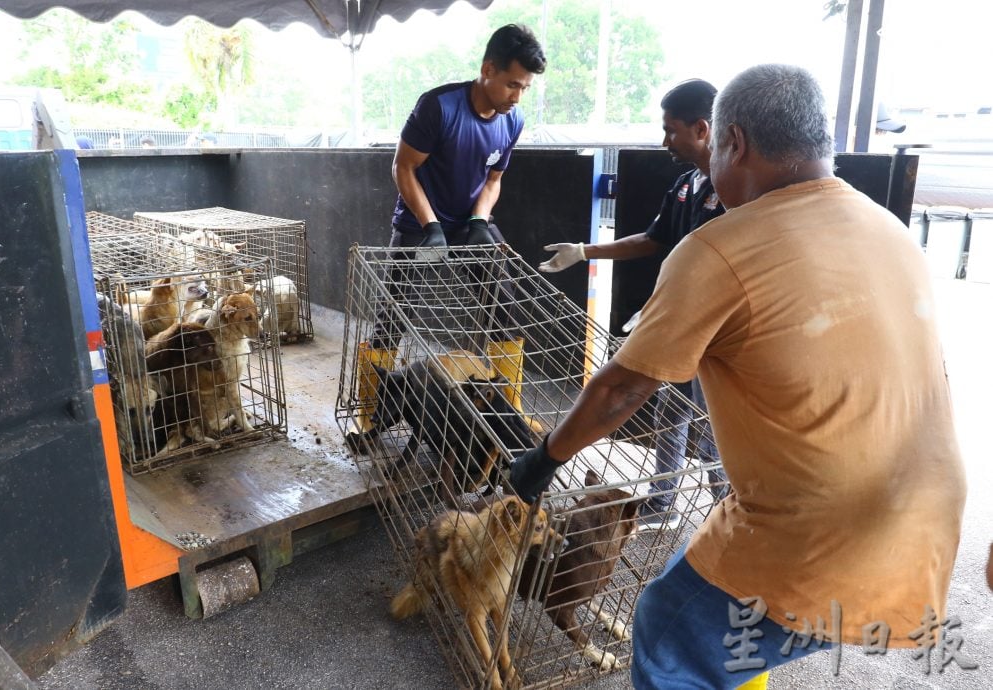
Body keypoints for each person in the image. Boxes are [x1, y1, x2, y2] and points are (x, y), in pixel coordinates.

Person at [509, 64, 966, 688]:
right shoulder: (888, 228)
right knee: (728, 625)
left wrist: (541, 461)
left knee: (669, 631)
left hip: (818, 532)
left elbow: (621, 389)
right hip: (926, 523)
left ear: (733, 142)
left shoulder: (720, 246)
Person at [539, 78, 729, 525]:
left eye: (671, 130)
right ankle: (664, 504)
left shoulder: (735, 188)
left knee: (711, 425)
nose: (665, 141)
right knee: (676, 409)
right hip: (679, 323)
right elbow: (652, 238)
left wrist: (671, 303)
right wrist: (585, 251)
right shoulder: (687, 184)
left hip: (713, 331)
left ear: (701, 129)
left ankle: (728, 515)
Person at [354, 24, 546, 431]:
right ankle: (370, 412)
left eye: (525, 88)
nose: (517, 96)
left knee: (504, 308)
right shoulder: (439, 107)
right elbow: (403, 168)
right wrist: (431, 226)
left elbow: (493, 180)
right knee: (394, 314)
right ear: (487, 69)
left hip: (470, 223)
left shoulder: (513, 121)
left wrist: (479, 220)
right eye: (512, 84)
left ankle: (508, 413)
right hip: (420, 223)